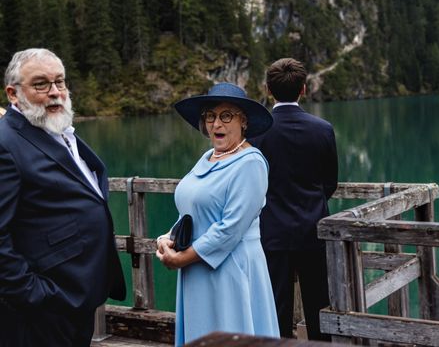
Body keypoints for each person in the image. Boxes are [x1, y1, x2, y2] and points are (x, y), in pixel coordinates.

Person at [0, 48, 126, 347]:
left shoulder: (56, 130)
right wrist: (34, 293)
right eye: (41, 84)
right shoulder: (6, 144)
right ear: (13, 93)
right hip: (40, 309)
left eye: (60, 82)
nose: (55, 92)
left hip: (75, 296)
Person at [156, 82, 279, 345]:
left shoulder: (251, 163)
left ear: (243, 122)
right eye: (210, 116)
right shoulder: (208, 157)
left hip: (229, 270)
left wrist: (181, 259)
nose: (216, 124)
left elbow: (230, 229)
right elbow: (190, 211)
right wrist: (167, 238)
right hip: (196, 267)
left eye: (226, 116)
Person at [251, 58, 338, 341]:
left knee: (275, 309)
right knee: (318, 307)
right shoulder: (323, 129)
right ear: (304, 89)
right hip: (313, 231)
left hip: (272, 233)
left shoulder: (256, 133)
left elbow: (253, 186)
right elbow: (330, 183)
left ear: (268, 90)